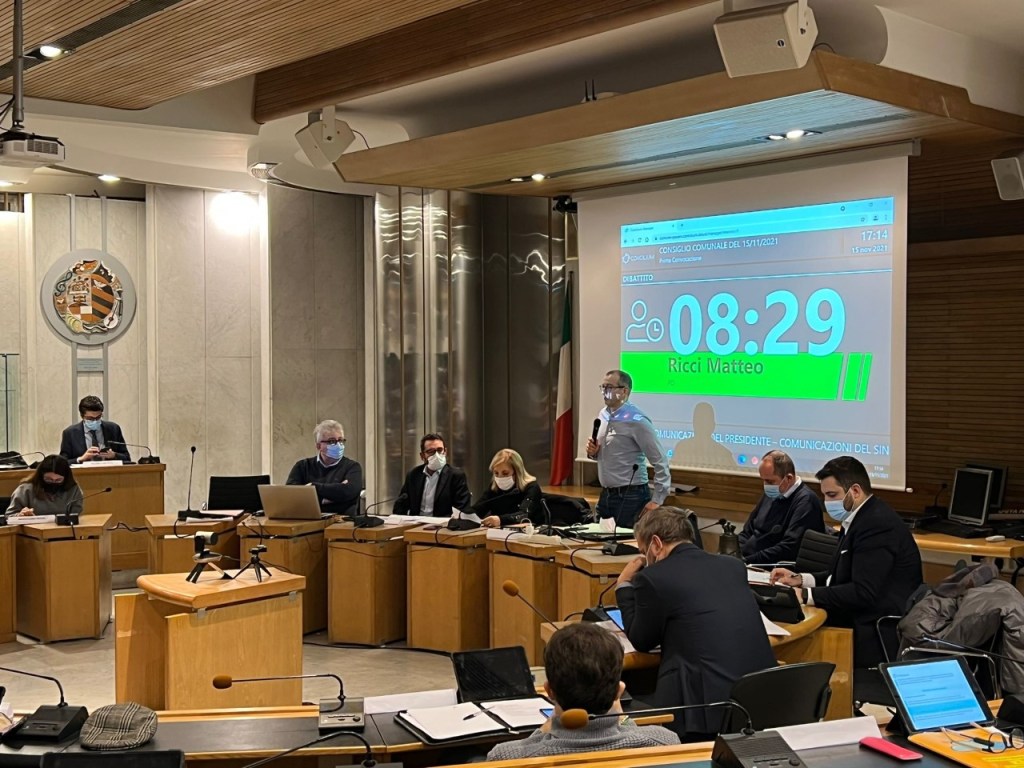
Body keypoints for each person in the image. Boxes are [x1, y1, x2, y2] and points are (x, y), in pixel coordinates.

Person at [617, 506, 777, 740]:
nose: (645, 559)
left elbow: (642, 640)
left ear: (656, 544)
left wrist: (623, 586)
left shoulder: (653, 577)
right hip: (761, 697)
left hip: (703, 707)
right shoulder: (732, 566)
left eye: (644, 551)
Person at [770, 456, 923, 669]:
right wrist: (800, 579)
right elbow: (840, 576)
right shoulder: (858, 518)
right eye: (824, 495)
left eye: (832, 495)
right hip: (857, 616)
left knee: (789, 647)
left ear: (855, 491)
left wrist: (805, 595)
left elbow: (862, 592)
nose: (827, 502)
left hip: (872, 631)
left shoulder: (877, 525)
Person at [486, 622, 679, 760]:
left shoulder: (506, 756)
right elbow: (633, 736)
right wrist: (623, 718)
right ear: (619, 691)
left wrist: (542, 729)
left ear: (549, 691)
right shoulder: (664, 742)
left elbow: (529, 750)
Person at [585, 369, 671, 529]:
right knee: (598, 540)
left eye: (609, 387)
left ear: (624, 391)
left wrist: (657, 500)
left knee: (626, 542)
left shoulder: (637, 420)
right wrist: (593, 453)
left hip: (631, 496)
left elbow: (660, 460)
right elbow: (609, 453)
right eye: (603, 387)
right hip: (606, 494)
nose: (604, 392)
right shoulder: (603, 415)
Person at [739, 449, 825, 565]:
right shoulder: (773, 492)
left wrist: (747, 561)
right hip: (749, 561)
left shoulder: (806, 501)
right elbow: (748, 531)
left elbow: (789, 548)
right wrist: (735, 553)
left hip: (771, 566)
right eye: (763, 480)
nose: (766, 485)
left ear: (789, 478)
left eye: (770, 481)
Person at [286, 420, 363, 515]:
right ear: (318, 446)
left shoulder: (352, 467)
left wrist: (313, 487)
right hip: (308, 519)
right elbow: (291, 496)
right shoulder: (302, 466)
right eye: (332, 441)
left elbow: (348, 492)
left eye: (340, 440)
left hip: (343, 521)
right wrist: (333, 495)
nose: (338, 445)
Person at [392, 433, 471, 517]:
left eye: (439, 450)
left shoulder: (456, 476)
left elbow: (462, 509)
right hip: (416, 522)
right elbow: (401, 506)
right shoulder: (413, 475)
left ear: (445, 452)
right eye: (431, 451)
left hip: (442, 523)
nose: (436, 455)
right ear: (422, 456)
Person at [472, 449, 543, 528]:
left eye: (505, 473)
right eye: (496, 473)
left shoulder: (531, 487)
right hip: (498, 533)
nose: (500, 477)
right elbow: (477, 510)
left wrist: (500, 520)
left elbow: (524, 514)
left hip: (530, 532)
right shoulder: (494, 488)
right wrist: (466, 514)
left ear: (517, 472)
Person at [5, 454, 84, 517]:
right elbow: (9, 515)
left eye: (58, 480)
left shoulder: (73, 489)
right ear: (41, 476)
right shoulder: (25, 489)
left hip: (64, 530)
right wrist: (20, 515)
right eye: (48, 479)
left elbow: (76, 515)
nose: (53, 483)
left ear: (66, 478)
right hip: (32, 531)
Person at [59, 395, 130, 463]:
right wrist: (81, 459)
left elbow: (127, 457)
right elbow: (62, 463)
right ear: (82, 416)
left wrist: (114, 455)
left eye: (98, 417)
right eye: (90, 418)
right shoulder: (70, 433)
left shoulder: (114, 429)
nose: (95, 421)